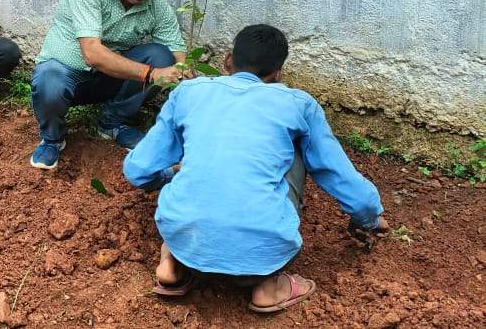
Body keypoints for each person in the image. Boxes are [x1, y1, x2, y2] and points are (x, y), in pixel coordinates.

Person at [123, 24, 388, 314]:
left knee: (200, 167)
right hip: (261, 259)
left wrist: (172, 175)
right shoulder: (298, 104)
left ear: (227, 62)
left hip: (187, 243)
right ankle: (268, 287)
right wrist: (368, 218)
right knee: (297, 149)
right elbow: (338, 175)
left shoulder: (188, 92)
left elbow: (138, 170)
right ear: (277, 74)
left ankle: (171, 264)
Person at [29, 0, 186, 169]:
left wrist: (185, 74)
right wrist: (152, 74)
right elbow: (92, 53)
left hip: (110, 80)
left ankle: (112, 123)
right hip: (69, 77)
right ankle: (53, 138)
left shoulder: (157, 5)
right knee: (48, 77)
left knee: (161, 56)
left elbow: (178, 54)